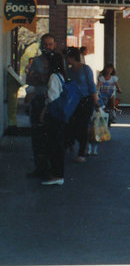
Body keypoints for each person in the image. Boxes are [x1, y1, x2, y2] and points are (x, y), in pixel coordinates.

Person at [25, 33, 57, 177]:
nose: (47, 47)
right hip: (38, 100)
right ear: (41, 45)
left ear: (54, 45)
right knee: (37, 136)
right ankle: (40, 168)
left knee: (51, 136)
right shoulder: (36, 61)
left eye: (50, 44)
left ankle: (51, 168)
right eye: (45, 44)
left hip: (53, 102)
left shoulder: (57, 61)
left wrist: (39, 77)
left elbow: (54, 80)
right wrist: (40, 78)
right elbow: (30, 79)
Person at [64, 47, 98, 163]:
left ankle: (81, 152)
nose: (66, 60)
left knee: (83, 126)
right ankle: (71, 143)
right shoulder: (68, 71)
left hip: (86, 100)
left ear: (71, 57)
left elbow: (91, 85)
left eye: (67, 57)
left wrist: (96, 101)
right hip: (73, 101)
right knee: (72, 123)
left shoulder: (86, 69)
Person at [39, 52, 68, 186]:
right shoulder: (61, 76)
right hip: (61, 115)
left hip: (53, 116)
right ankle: (58, 174)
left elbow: (52, 98)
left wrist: (44, 111)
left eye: (46, 61)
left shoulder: (53, 77)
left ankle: (57, 175)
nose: (44, 63)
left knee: (53, 146)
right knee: (58, 145)